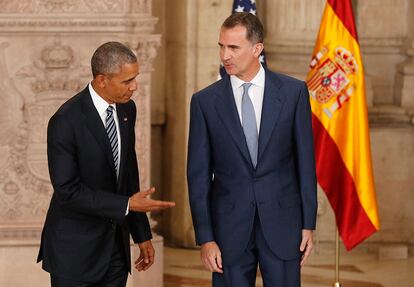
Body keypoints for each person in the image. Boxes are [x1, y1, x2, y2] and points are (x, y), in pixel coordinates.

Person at [187, 12, 317, 287]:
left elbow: (305, 162)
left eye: (233, 47)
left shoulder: (294, 93)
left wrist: (308, 224)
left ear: (257, 49)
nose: (225, 55)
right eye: (221, 46)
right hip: (228, 231)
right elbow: (197, 176)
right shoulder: (205, 102)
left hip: (283, 223)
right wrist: (206, 237)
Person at [37, 41, 175, 287]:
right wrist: (127, 204)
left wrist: (142, 235)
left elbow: (128, 176)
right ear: (101, 80)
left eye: (135, 78)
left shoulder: (127, 110)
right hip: (75, 253)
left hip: (115, 252)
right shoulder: (65, 121)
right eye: (126, 81)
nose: (134, 87)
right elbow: (67, 190)